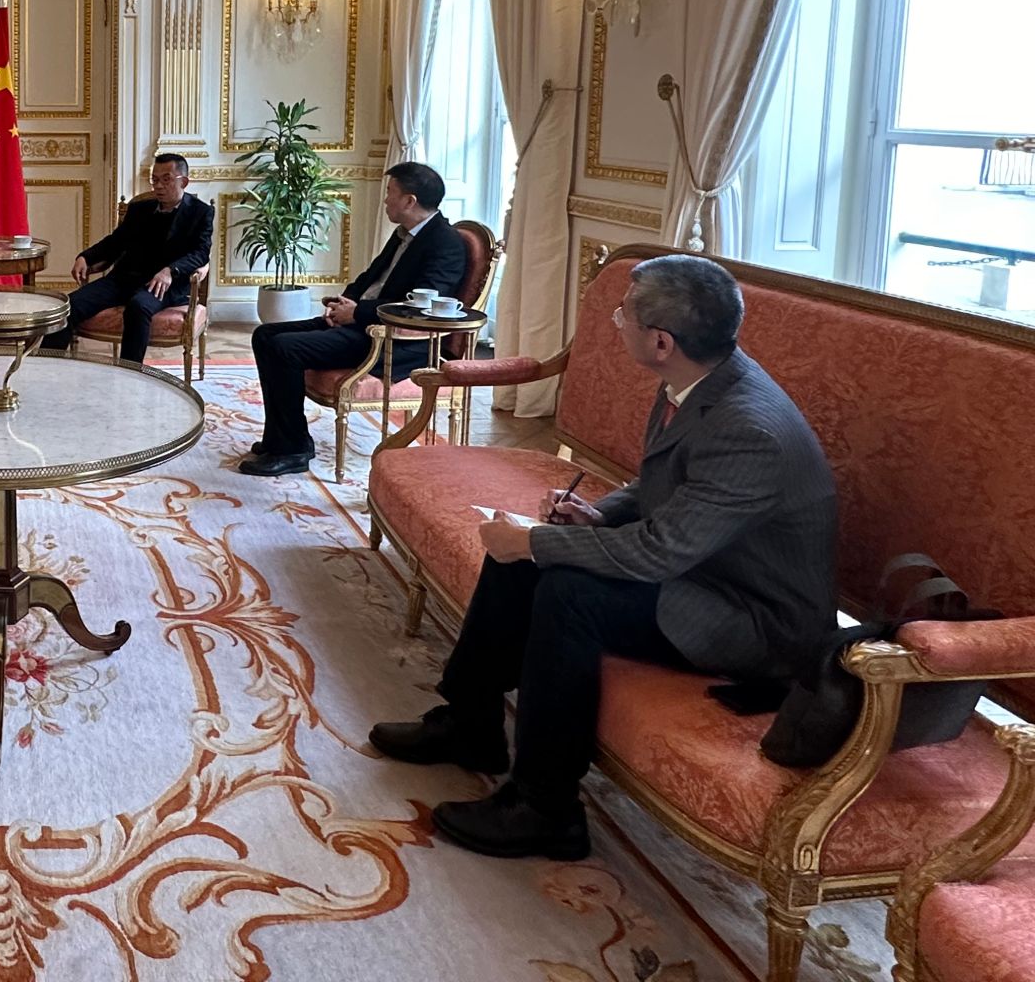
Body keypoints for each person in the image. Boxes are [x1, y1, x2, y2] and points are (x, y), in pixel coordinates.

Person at [369, 254, 838, 860]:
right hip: (705, 570)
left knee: (567, 591)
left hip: (754, 620)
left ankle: (546, 808)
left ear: (661, 341)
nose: (615, 323)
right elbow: (662, 484)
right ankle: (470, 724)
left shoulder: (748, 428)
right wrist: (596, 514)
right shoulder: (700, 379)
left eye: (623, 315)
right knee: (527, 556)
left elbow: (658, 551)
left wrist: (537, 541)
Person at [241, 162, 468, 476]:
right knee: (265, 335)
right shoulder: (404, 233)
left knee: (285, 348)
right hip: (362, 322)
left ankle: (292, 450)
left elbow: (418, 308)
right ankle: (282, 437)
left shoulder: (445, 243)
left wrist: (357, 312)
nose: (385, 199)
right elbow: (369, 278)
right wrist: (343, 304)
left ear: (409, 201)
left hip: (392, 340)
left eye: (390, 192)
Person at [38, 153, 212, 364]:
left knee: (138, 308)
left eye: (166, 180)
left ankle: (129, 372)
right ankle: (46, 366)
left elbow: (201, 253)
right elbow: (115, 242)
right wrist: (85, 257)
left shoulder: (200, 212)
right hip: (123, 279)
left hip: (162, 285)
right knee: (69, 306)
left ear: (183, 181)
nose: (158, 186)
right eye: (155, 179)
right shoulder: (140, 209)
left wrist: (171, 270)